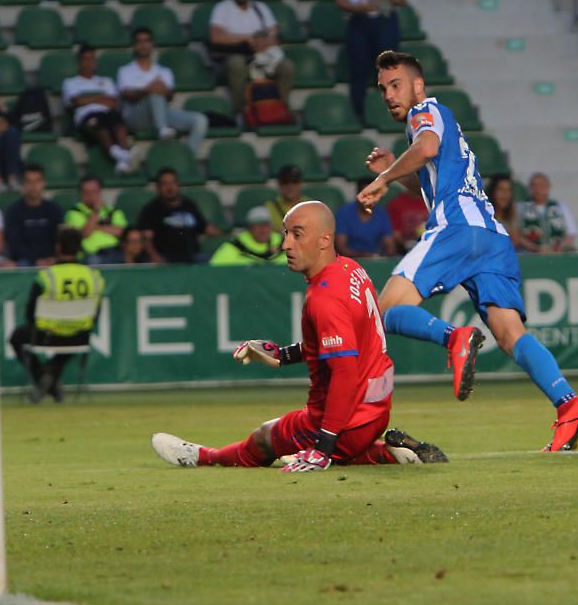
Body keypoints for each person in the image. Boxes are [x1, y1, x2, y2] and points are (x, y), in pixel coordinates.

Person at [355, 51, 578, 451]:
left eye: (396, 85)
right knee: (510, 333)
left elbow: (427, 148)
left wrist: (382, 176)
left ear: (417, 85)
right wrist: (396, 172)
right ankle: (568, 404)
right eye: (382, 89)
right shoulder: (445, 122)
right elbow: (431, 178)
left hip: (457, 230)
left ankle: (455, 338)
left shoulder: (424, 112)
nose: (388, 95)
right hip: (491, 237)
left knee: (384, 310)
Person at [151, 201, 447, 471]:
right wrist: (283, 354)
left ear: (324, 240)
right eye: (285, 234)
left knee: (264, 438)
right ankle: (390, 453)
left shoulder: (324, 298)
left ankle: (202, 457)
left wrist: (324, 446)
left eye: (297, 235)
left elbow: (344, 371)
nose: (285, 245)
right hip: (376, 412)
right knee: (321, 448)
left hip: (343, 420)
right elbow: (343, 344)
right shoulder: (351, 269)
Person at [9, 228, 105, 403]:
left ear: (58, 247)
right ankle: (51, 375)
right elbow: (96, 312)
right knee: (75, 335)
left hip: (47, 335)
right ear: (79, 248)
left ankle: (43, 378)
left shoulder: (47, 276)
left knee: (16, 337)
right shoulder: (94, 276)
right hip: (79, 337)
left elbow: (31, 312)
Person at [117, 28, 208, 152]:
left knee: (200, 121)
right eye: (139, 42)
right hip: (135, 117)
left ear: (152, 44)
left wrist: (163, 90)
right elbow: (127, 96)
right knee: (154, 92)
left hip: (161, 113)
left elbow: (170, 97)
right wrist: (147, 90)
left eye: (147, 41)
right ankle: (162, 129)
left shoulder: (164, 71)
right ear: (134, 46)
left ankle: (188, 157)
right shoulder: (125, 70)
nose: (143, 45)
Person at [208, 0, 295, 115]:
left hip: (260, 57)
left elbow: (275, 35)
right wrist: (245, 39)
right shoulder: (222, 8)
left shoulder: (261, 8)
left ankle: (280, 109)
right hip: (231, 58)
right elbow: (215, 37)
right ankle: (241, 111)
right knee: (236, 63)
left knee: (287, 66)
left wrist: (265, 43)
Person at [62, 46, 140, 175]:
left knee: (116, 120)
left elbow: (114, 103)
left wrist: (88, 99)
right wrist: (101, 98)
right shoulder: (70, 83)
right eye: (85, 59)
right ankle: (124, 156)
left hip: (108, 114)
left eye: (92, 59)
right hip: (86, 117)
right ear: (79, 62)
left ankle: (122, 160)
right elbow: (77, 102)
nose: (89, 62)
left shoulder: (106, 81)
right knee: (99, 123)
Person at [336, 0, 406, 120]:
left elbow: (401, 1)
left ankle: (389, 111)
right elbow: (340, 1)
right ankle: (359, 113)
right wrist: (359, 8)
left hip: (385, 20)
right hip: (359, 21)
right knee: (359, 70)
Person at [137, 167, 222, 264]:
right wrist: (155, 257)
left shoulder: (189, 205)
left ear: (178, 184)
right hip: (165, 257)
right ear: (158, 187)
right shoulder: (151, 209)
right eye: (165, 183)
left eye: (172, 182)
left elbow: (205, 228)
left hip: (193, 256)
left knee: (215, 261)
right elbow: (146, 239)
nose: (169, 187)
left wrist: (226, 235)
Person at [3, 164, 65, 267]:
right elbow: (14, 245)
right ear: (23, 184)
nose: (33, 186)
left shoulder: (54, 210)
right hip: (25, 261)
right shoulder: (13, 212)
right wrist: (36, 260)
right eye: (29, 182)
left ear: (43, 183)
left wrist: (53, 258)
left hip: (52, 260)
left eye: (37, 181)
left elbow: (60, 240)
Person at [63, 175, 128, 264]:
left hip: (115, 251)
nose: (90, 195)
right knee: (94, 261)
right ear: (80, 193)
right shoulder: (74, 212)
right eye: (86, 192)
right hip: (90, 254)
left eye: (94, 191)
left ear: (100, 191)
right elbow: (84, 234)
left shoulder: (113, 211)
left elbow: (121, 232)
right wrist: (96, 211)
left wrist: (94, 226)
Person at [335, 179, 398, 258]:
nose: (369, 198)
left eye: (373, 194)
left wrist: (382, 257)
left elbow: (390, 246)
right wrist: (363, 256)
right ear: (358, 195)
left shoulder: (382, 213)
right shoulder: (344, 212)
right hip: (350, 261)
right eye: (366, 195)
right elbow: (341, 247)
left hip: (376, 260)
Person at [518, 172, 578, 254]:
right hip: (529, 253)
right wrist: (536, 248)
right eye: (534, 185)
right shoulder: (520, 207)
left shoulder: (560, 207)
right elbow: (515, 234)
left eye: (541, 185)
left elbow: (571, 233)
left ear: (548, 187)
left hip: (557, 253)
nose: (538, 189)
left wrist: (559, 247)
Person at [209, 206, 287, 265]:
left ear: (271, 226)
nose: (262, 230)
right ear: (249, 228)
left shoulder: (285, 244)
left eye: (265, 225)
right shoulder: (236, 246)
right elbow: (214, 272)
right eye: (257, 226)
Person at [0, 72, 23, 193]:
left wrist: (2, 108)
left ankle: (12, 178)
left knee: (12, 132)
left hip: (3, 143)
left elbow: (14, 123)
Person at [386, 185, 428, 253]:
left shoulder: (432, 201)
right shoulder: (396, 203)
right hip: (404, 249)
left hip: (429, 245)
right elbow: (396, 233)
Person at [264, 164, 307, 229]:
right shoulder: (269, 208)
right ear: (278, 184)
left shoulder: (311, 205)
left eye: (295, 181)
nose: (290, 186)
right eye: (285, 182)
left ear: (301, 183)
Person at [486, 175, 522, 251]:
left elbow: (515, 240)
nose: (505, 194)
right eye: (501, 189)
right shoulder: (484, 214)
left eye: (508, 190)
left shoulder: (514, 212)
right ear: (493, 192)